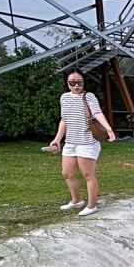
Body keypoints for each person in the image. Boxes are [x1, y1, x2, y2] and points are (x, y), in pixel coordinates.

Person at [48, 71, 115, 216]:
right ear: (67, 83)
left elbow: (97, 113)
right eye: (72, 82)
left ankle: (92, 206)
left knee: (88, 175)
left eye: (80, 82)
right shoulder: (64, 98)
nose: (76, 85)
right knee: (67, 174)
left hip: (87, 142)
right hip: (71, 142)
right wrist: (57, 139)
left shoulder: (89, 96)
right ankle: (76, 200)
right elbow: (64, 120)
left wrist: (109, 129)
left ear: (84, 82)